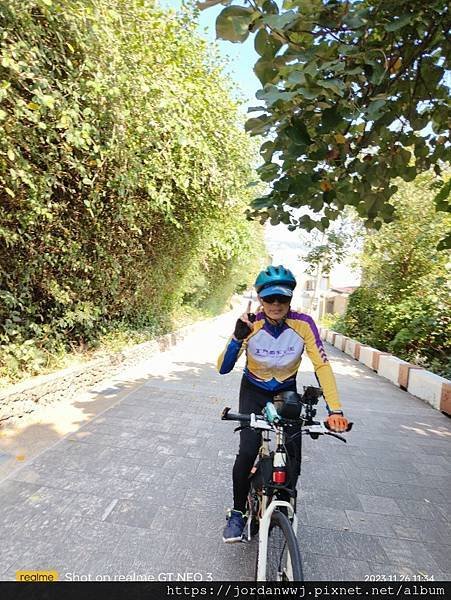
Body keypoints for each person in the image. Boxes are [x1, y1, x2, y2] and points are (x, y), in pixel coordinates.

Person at [217, 265, 349, 543]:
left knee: (293, 454)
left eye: (282, 299)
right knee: (248, 449)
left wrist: (335, 409)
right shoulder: (251, 323)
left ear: (290, 299)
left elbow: (322, 366)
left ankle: (285, 505)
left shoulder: (303, 324)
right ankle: (238, 512)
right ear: (260, 299)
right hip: (253, 388)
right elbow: (223, 368)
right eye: (269, 299)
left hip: (286, 391)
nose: (276, 305)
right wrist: (237, 338)